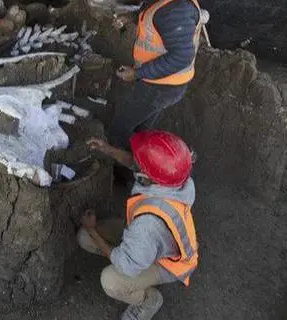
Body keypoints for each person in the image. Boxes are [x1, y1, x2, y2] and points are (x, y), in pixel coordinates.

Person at [80, 130, 198, 320]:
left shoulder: (147, 225)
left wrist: (92, 229)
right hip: (153, 241)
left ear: (148, 176)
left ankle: (148, 301)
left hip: (167, 263)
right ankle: (136, 257)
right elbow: (138, 164)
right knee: (84, 239)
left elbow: (125, 265)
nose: (136, 163)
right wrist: (107, 149)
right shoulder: (177, 176)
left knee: (110, 280)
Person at [108, 0, 203, 150]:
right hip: (162, 81)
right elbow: (154, 16)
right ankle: (144, 165)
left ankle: (127, 175)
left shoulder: (175, 10)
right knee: (141, 129)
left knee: (119, 129)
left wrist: (138, 73)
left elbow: (181, 56)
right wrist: (131, 18)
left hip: (162, 85)